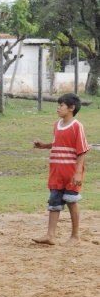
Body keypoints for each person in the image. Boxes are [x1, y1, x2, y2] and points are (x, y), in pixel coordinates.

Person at [32, 93, 90, 246]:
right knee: (54, 202)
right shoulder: (57, 125)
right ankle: (50, 235)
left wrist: (78, 172)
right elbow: (57, 143)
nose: (58, 108)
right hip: (56, 172)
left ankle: (75, 236)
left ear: (71, 108)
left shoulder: (77, 126)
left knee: (71, 201)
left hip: (71, 173)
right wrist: (44, 145)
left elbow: (82, 150)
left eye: (61, 105)